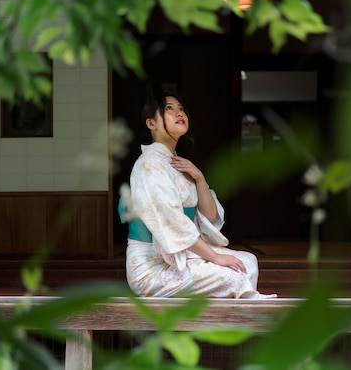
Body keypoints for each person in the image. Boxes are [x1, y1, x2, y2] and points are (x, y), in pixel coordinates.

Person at [119, 89, 277, 299]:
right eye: (169, 109)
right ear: (151, 124)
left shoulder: (176, 164)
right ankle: (230, 327)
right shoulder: (150, 165)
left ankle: (224, 326)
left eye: (181, 109)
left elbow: (208, 217)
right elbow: (172, 222)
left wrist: (200, 178)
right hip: (152, 266)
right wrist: (214, 257)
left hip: (177, 255)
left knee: (248, 262)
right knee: (233, 276)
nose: (179, 113)